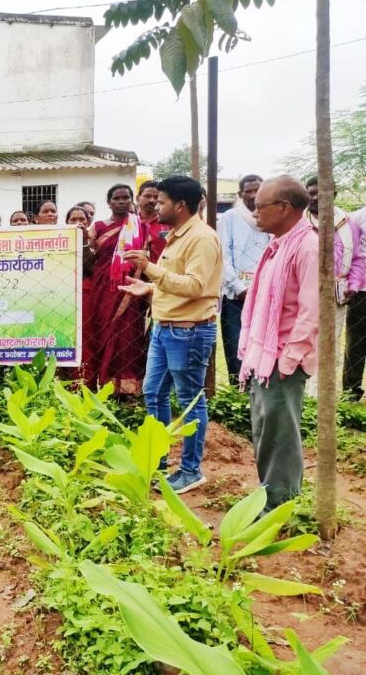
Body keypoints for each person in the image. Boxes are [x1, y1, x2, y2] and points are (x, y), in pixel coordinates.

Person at [119, 176, 223, 493]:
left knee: (191, 403)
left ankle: (191, 470)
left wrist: (150, 269)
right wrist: (148, 287)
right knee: (153, 393)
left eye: (161, 201)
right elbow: (176, 281)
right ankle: (160, 461)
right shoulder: (178, 235)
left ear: (180, 205)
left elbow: (195, 286)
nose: (155, 205)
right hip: (166, 329)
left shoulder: (202, 239)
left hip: (188, 332)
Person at [238, 176, 318, 512]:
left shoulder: (307, 246)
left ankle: (278, 507)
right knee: (266, 430)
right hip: (263, 356)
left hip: (283, 360)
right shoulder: (278, 246)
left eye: (259, 206)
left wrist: (290, 358)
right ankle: (273, 499)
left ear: (284, 208)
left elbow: (311, 310)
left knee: (280, 435)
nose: (255, 214)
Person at [86, 184, 149, 395]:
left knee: (127, 338)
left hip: (131, 291)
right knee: (101, 334)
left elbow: (147, 260)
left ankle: (128, 390)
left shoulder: (140, 227)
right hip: (103, 290)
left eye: (126, 198)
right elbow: (90, 259)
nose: (121, 202)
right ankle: (105, 387)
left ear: (132, 200)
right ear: (109, 202)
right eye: (116, 198)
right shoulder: (98, 227)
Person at [304, 175, 364, 397]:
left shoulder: (348, 223)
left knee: (330, 345)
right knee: (304, 342)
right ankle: (304, 396)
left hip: (337, 293)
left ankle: (321, 396)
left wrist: (353, 285)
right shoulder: (300, 223)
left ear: (334, 194)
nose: (316, 197)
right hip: (303, 294)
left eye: (322, 192)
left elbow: (358, 258)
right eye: (311, 192)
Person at [217, 174, 271, 385]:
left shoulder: (270, 217)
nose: (253, 194)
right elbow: (222, 256)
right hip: (236, 293)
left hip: (265, 293)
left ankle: (260, 386)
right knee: (235, 343)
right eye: (248, 191)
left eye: (257, 189)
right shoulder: (231, 217)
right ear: (240, 194)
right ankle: (237, 393)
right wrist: (239, 288)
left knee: (262, 344)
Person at [346, 204, 366, 400]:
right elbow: (353, 254)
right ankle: (351, 389)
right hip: (362, 290)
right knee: (357, 342)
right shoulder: (357, 218)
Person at [137, 180, 170, 263]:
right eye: (147, 196)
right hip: (133, 273)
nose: (152, 200)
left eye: (156, 197)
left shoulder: (169, 223)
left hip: (161, 272)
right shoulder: (130, 223)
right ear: (138, 198)